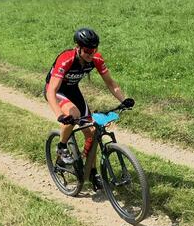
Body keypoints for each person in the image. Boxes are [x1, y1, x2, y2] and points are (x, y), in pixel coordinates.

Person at [45, 27, 134, 187]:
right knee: (73, 113)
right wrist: (60, 114)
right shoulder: (66, 59)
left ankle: (92, 173)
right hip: (57, 90)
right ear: (77, 47)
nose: (91, 54)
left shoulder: (96, 59)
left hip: (73, 90)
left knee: (92, 133)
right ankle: (61, 146)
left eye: (94, 50)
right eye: (87, 50)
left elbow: (111, 83)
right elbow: (52, 89)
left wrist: (124, 99)